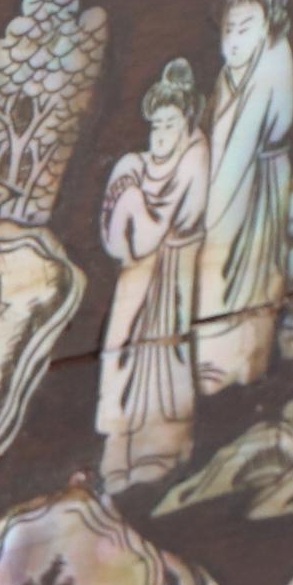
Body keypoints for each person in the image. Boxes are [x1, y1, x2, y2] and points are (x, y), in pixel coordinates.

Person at [98, 60, 210, 496]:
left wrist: (129, 195)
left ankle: (158, 449)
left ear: (186, 125)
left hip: (172, 278)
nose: (160, 136)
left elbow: (144, 238)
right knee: (121, 350)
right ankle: (121, 444)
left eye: (169, 125)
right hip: (139, 279)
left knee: (161, 357)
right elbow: (117, 244)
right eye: (155, 127)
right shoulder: (145, 163)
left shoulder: (194, 160)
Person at [196, 0, 293, 394]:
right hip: (233, 182)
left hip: (251, 190)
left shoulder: (272, 63)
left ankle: (232, 367)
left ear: (267, 24)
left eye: (246, 28)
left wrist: (209, 223)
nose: (234, 41)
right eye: (229, 31)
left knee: (241, 273)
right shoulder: (233, 71)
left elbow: (236, 157)